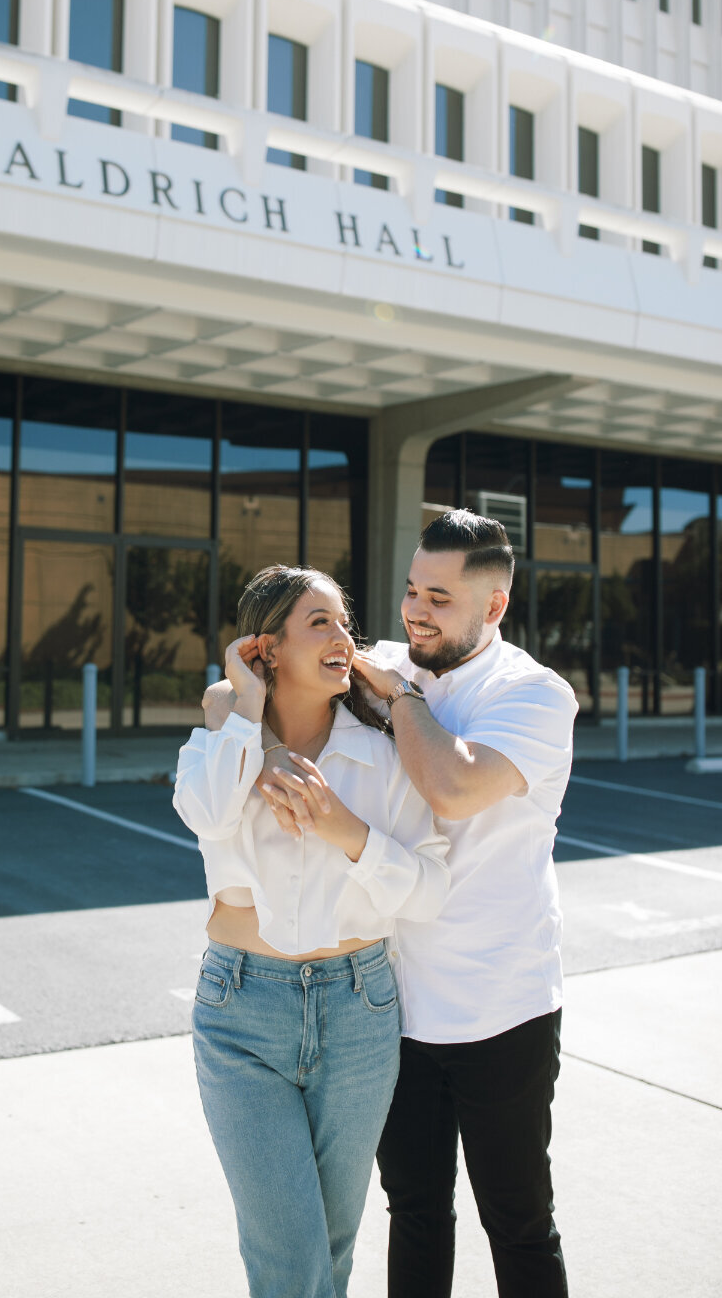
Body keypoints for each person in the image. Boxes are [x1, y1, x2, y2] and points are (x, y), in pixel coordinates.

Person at [204, 511, 578, 1298]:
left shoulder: (534, 694)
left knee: (516, 1218)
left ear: (494, 607)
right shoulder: (384, 663)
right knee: (414, 1210)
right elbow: (238, 692)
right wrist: (274, 750)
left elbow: (452, 785)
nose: (415, 611)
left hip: (499, 1002)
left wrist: (404, 695)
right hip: (392, 1007)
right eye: (412, 590)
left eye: (439, 598)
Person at [174, 564, 450, 1298]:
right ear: (268, 648)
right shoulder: (215, 748)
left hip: (360, 1011)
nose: (343, 637)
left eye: (344, 622)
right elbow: (205, 814)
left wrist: (347, 832)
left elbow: (429, 888)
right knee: (290, 1262)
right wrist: (244, 714)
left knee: (328, 1250)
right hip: (241, 1013)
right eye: (319, 622)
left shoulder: (383, 758)